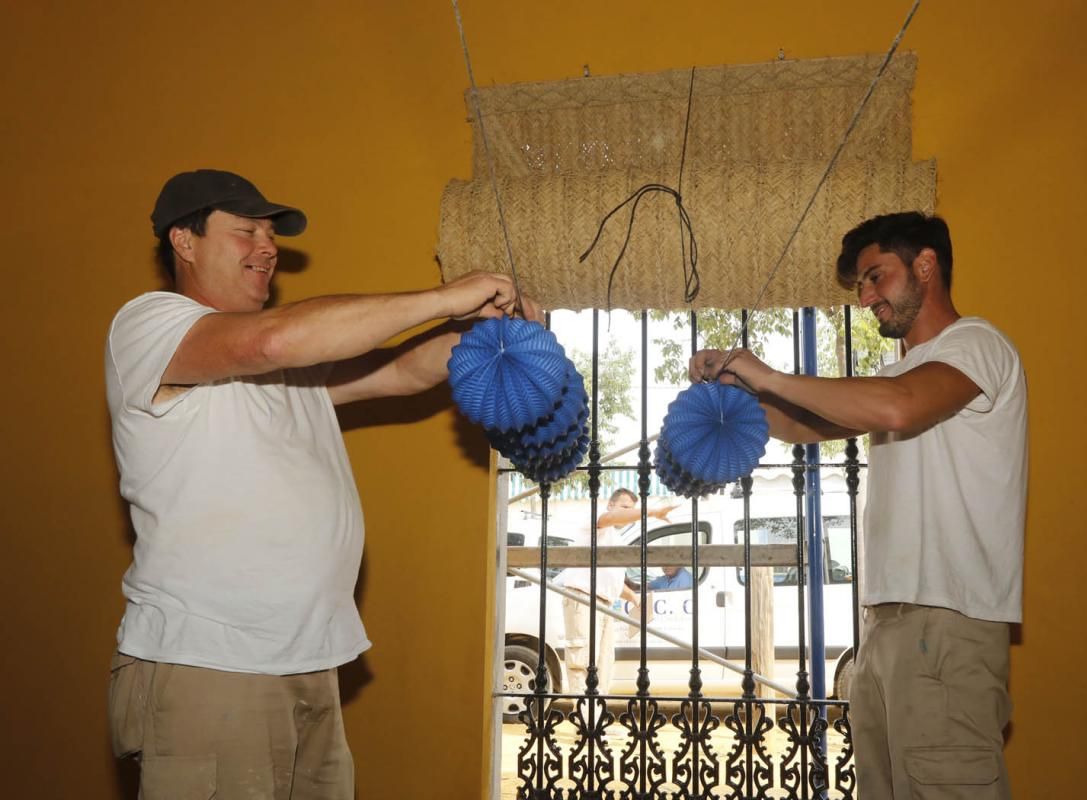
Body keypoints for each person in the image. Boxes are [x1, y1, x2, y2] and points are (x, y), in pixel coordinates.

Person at [105, 169, 542, 800]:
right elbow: (276, 338)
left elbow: (399, 371)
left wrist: (489, 332)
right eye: (245, 230)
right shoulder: (151, 325)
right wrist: (445, 295)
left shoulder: (288, 367)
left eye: (270, 232)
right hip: (210, 665)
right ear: (185, 240)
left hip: (309, 662)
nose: (268, 246)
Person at [690, 212, 1026, 800]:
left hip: (947, 624)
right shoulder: (899, 373)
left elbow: (898, 408)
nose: (866, 297)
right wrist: (730, 392)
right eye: (862, 285)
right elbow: (797, 424)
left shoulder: (977, 345)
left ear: (926, 265)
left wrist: (767, 375)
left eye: (876, 277)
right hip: (884, 629)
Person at [556, 488, 675, 695]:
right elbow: (611, 518)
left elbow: (613, 581)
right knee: (582, 660)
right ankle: (586, 719)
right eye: (625, 507)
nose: (629, 514)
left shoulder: (616, 538)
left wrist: (634, 598)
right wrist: (652, 512)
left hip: (604, 604)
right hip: (584, 599)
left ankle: (596, 719)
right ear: (610, 505)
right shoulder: (596, 518)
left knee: (604, 665)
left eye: (632, 509)